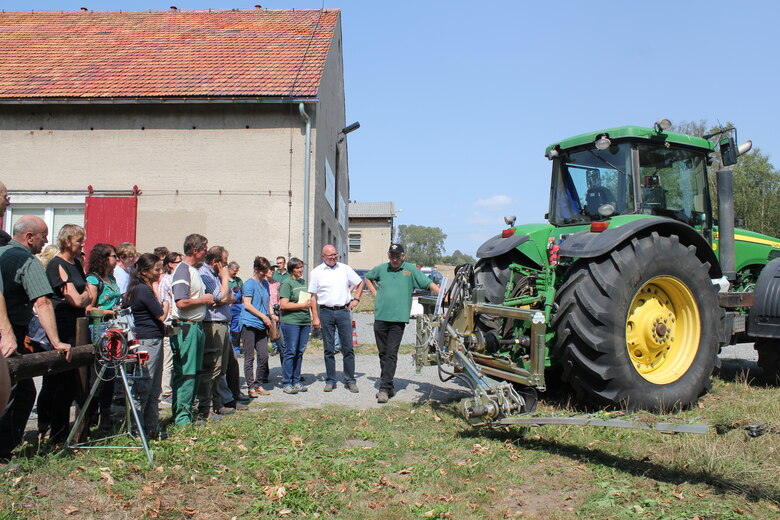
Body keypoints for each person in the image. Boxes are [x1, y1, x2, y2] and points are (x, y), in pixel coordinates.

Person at [0, 215, 71, 461]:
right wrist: (55, 341)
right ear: (29, 237)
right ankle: (3, 453)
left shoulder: (2, 253)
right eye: (43, 235)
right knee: (16, 393)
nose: (47, 241)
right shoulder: (25, 259)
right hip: (10, 335)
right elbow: (42, 302)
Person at [362, 244, 440, 403]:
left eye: (398, 256)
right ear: (388, 255)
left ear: (403, 256)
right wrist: (374, 292)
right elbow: (368, 277)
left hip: (398, 319)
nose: (395, 259)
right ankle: (388, 384)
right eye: (392, 256)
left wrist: (443, 295)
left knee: (391, 353)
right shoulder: (382, 269)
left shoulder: (410, 270)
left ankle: (384, 388)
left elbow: (427, 283)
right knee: (383, 353)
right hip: (381, 317)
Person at [39, 224, 91, 441]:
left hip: (78, 323)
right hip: (63, 324)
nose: (82, 244)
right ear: (68, 241)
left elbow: (88, 295)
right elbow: (78, 298)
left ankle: (70, 429)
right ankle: (56, 431)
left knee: (76, 378)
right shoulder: (56, 265)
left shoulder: (76, 264)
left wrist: (83, 298)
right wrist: (83, 297)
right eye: (79, 240)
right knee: (62, 378)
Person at [170, 234, 213, 426]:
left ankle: (187, 413)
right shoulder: (182, 270)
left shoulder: (193, 270)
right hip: (186, 327)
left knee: (194, 372)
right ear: (195, 250)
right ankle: (182, 418)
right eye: (204, 249)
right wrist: (203, 300)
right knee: (186, 373)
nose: (206, 253)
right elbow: (181, 302)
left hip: (196, 327)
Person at [308, 245, 364, 393]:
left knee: (348, 348)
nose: (333, 257)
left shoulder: (344, 269)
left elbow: (360, 282)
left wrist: (356, 300)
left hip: (343, 311)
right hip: (326, 312)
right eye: (330, 255)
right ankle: (331, 380)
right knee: (329, 348)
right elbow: (313, 296)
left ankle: (350, 380)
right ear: (323, 256)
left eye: (335, 255)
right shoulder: (316, 272)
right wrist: (315, 317)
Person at [125, 253, 169, 438]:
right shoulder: (142, 290)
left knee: (154, 388)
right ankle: (136, 430)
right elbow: (161, 315)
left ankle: (151, 427)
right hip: (147, 341)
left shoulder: (144, 288)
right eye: (156, 269)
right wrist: (167, 302)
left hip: (154, 339)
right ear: (144, 272)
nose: (160, 273)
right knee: (143, 386)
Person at [84, 243, 124, 428]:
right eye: (113, 256)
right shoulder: (94, 280)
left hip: (114, 327)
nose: (116, 259)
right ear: (104, 258)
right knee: (102, 373)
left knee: (112, 372)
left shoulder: (112, 278)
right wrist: (109, 312)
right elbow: (89, 308)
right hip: (99, 328)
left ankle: (106, 413)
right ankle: (93, 414)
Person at [197, 246, 235, 420]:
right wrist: (225, 279)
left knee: (221, 369)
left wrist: (223, 294)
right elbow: (219, 297)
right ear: (215, 262)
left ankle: (218, 404)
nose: (226, 267)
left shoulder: (217, 275)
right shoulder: (205, 274)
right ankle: (206, 407)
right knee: (211, 367)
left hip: (223, 323)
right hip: (212, 324)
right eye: (224, 263)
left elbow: (231, 297)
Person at [239, 256, 274, 398]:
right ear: (255, 269)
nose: (265, 273)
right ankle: (250, 387)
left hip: (262, 324)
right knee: (249, 357)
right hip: (249, 323)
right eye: (262, 271)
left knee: (264, 355)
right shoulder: (249, 284)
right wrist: (263, 316)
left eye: (266, 270)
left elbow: (268, 301)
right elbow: (247, 304)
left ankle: (259, 383)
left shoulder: (265, 284)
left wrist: (271, 314)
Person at [279, 257, 312, 394]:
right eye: (297, 268)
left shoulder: (304, 282)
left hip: (304, 321)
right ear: (291, 269)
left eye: (301, 267)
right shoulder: (287, 283)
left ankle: (296, 381)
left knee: (299, 352)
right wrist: (302, 305)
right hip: (291, 322)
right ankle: (287, 382)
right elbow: (284, 304)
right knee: (291, 351)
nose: (300, 270)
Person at [157, 251, 181, 401]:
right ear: (171, 264)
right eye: (178, 261)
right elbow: (176, 296)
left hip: (174, 319)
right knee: (168, 357)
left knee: (175, 352)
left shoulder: (172, 278)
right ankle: (166, 390)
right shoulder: (168, 280)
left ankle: (170, 387)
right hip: (169, 320)